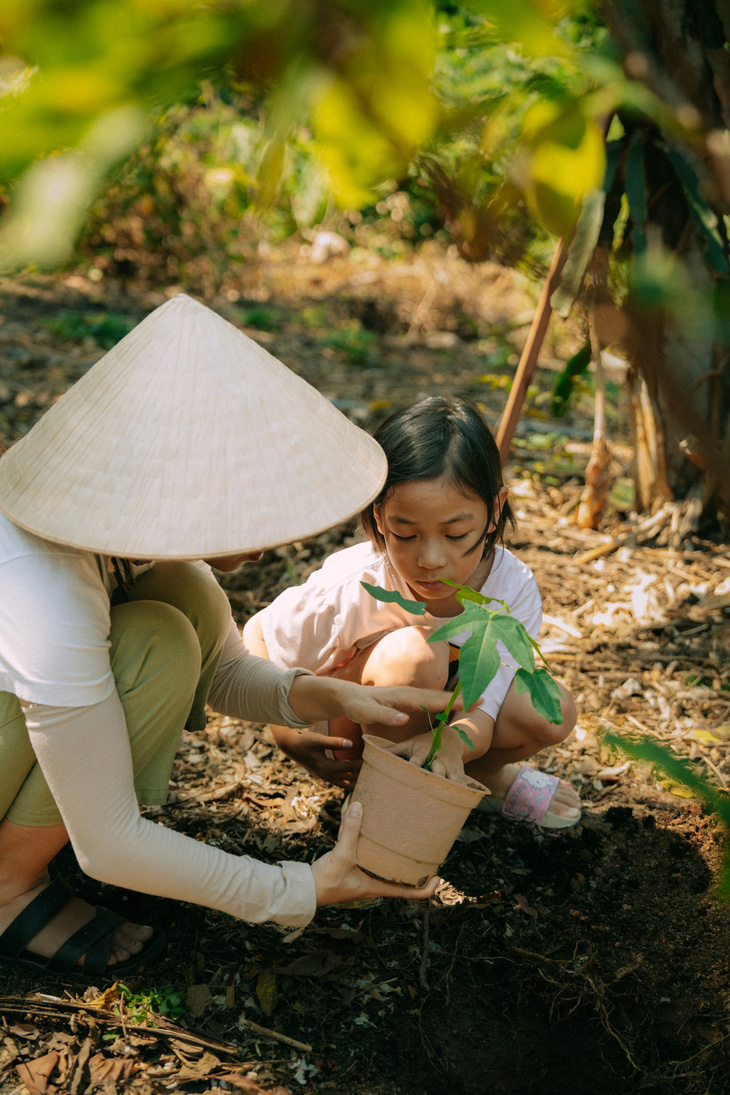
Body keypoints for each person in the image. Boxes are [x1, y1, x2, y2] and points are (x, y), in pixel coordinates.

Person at [0, 295, 459, 981]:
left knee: (176, 612)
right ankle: (8, 886)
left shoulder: (134, 551)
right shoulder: (47, 591)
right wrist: (296, 888)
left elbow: (225, 672)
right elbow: (110, 845)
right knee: (156, 640)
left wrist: (328, 695)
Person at [244, 395, 581, 827]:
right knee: (416, 654)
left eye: (456, 533)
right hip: (351, 731)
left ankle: (479, 778)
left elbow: (487, 704)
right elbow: (259, 635)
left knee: (549, 706)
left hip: (450, 729)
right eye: (405, 534)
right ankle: (384, 802)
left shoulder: (510, 588)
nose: (430, 559)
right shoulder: (358, 581)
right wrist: (287, 736)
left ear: (494, 512)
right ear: (379, 516)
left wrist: (455, 743)